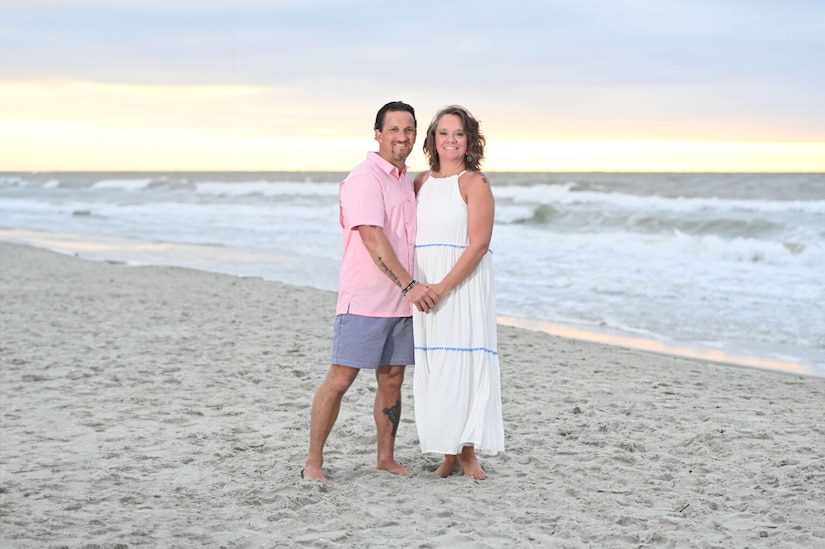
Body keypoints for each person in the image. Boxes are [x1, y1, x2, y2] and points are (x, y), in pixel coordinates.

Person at [303, 101, 440, 486]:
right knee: (341, 378)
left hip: (402, 302)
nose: (402, 137)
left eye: (409, 130)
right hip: (365, 298)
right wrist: (410, 285)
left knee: (392, 378)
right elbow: (371, 237)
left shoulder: (404, 180)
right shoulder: (365, 178)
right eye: (394, 129)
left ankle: (386, 458)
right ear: (377, 134)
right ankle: (313, 462)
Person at [412, 105, 505, 480]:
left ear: (469, 142)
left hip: (461, 286)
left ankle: (468, 452)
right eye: (443, 133)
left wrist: (444, 287)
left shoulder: (474, 183)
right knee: (436, 364)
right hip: (425, 287)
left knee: (464, 361)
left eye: (459, 133)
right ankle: (448, 453)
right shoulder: (419, 183)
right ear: (433, 139)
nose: (450, 140)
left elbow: (479, 244)